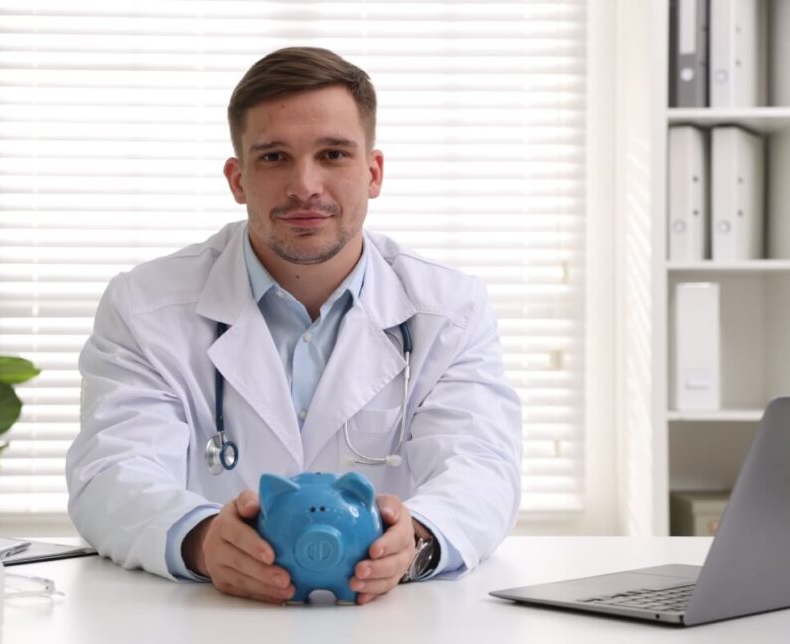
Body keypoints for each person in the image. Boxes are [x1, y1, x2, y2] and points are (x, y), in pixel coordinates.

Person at [67, 47, 522, 605]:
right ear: (238, 179)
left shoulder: (451, 309)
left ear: (373, 173)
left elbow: (481, 470)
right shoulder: (144, 306)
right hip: (210, 621)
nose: (305, 185)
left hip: (389, 624)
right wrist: (203, 541)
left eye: (333, 154)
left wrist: (416, 544)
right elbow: (111, 473)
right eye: (274, 157)